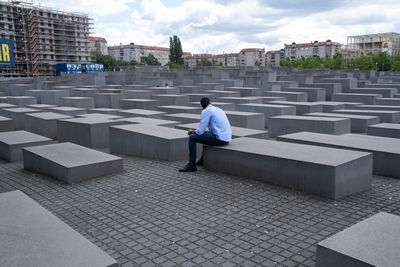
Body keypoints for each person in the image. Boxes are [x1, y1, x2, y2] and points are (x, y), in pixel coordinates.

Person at [179, 97, 232, 172]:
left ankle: (191, 165)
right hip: (227, 138)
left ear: (202, 106)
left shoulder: (206, 111)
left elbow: (200, 131)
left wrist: (192, 131)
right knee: (205, 136)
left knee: (192, 137)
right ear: (210, 102)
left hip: (219, 139)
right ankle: (202, 160)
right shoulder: (218, 109)